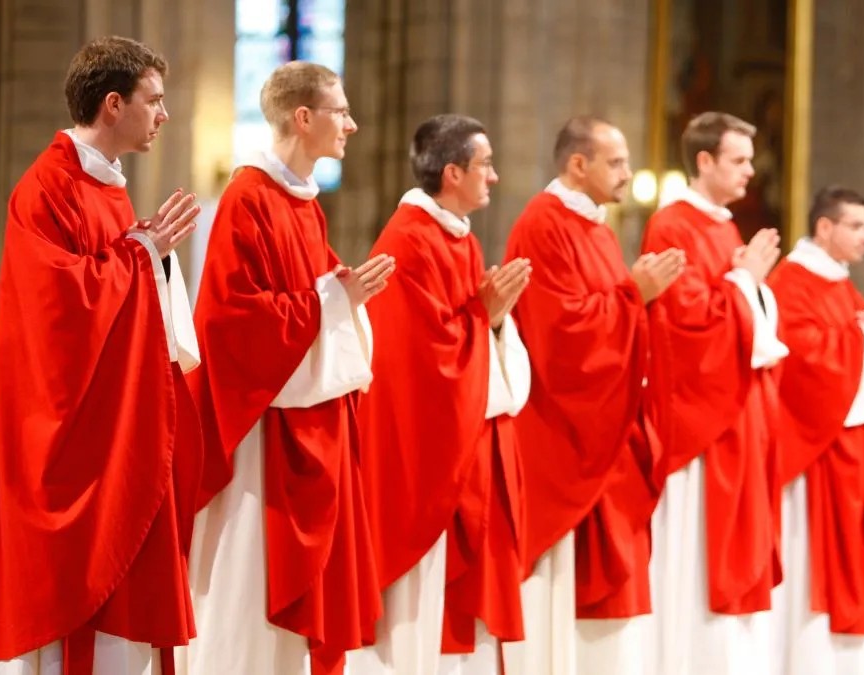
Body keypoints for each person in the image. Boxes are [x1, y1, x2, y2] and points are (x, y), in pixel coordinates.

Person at [0, 36, 201, 674]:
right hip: (64, 438)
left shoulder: (110, 190)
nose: (164, 115)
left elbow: (120, 281)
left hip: (112, 425)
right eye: (156, 101)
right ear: (114, 104)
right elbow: (56, 313)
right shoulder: (47, 186)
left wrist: (148, 256)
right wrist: (142, 255)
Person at [179, 61, 393, 675]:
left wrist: (342, 300)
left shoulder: (304, 205)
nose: (352, 124)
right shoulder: (248, 197)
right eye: (341, 111)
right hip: (260, 431)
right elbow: (229, 320)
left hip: (301, 416)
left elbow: (324, 292)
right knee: (251, 577)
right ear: (304, 118)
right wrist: (335, 301)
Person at [501, 116, 685, 675]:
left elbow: (607, 312)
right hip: (561, 433)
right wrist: (636, 294)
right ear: (578, 165)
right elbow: (560, 333)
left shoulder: (598, 229)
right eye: (617, 162)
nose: (629, 173)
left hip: (604, 430)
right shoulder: (544, 224)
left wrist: (635, 297)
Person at [354, 114, 533, 674]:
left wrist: (492, 321)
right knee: (413, 616)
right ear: (453, 173)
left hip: (461, 448)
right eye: (486, 165)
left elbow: (464, 333)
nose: (495, 177)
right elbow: (422, 362)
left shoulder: (459, 238)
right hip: (417, 457)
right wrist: (488, 316)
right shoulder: (409, 240)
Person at [641, 112, 785, 675]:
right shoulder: (672, 225)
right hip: (698, 418)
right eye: (739, 160)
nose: (752, 171)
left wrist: (746, 281)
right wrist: (745, 279)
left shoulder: (723, 227)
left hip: (735, 410)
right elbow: (685, 322)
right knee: (697, 554)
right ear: (704, 162)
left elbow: (733, 309)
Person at [769, 186, 864, 674]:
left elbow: (856, 344)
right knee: (815, 569)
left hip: (857, 448)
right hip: (819, 456)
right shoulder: (792, 279)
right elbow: (798, 354)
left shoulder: (841, 283)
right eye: (856, 226)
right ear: (824, 228)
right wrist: (861, 334)